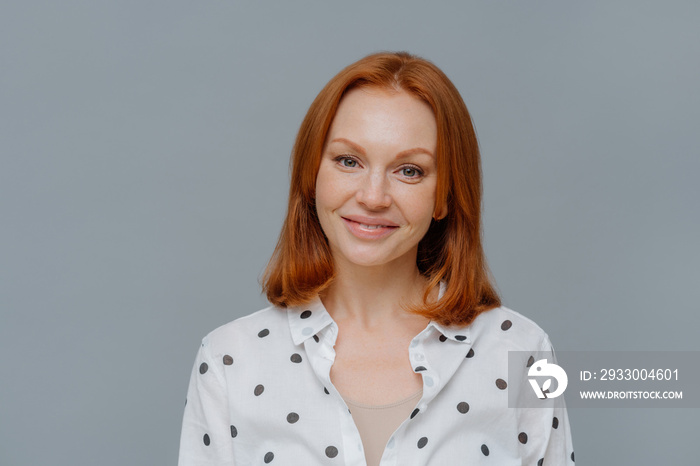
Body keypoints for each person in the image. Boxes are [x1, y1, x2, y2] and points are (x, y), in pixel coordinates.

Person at [178, 51, 574, 465]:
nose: (372, 197)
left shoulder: (521, 353)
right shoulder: (230, 360)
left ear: (445, 197)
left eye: (409, 171)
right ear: (311, 177)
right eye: (349, 161)